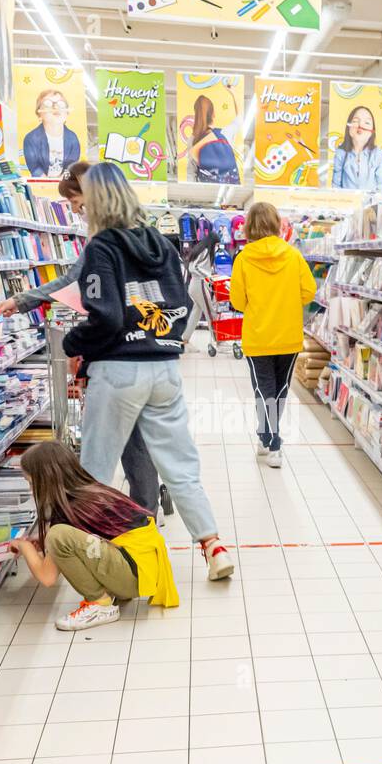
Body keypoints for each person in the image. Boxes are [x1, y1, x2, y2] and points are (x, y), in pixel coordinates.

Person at [66, 162, 235, 581]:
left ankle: (92, 563)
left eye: (82, 201)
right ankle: (214, 548)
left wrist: (74, 344)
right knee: (181, 466)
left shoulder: (100, 249)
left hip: (118, 373)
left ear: (96, 200)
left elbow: (103, 318)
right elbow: (180, 307)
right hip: (164, 369)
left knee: (96, 471)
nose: (80, 210)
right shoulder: (161, 243)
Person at [0, 163, 164, 519]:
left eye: (75, 200)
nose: (74, 209)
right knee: (138, 436)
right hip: (148, 349)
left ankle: (97, 519)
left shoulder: (104, 240)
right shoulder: (145, 234)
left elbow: (73, 281)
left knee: (104, 443)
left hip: (116, 353)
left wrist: (28, 302)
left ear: (94, 193)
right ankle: (146, 508)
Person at [12, 442, 178, 631]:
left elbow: (47, 577)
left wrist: (24, 546)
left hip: (135, 576)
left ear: (46, 481)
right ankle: (110, 591)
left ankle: (100, 604)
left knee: (57, 536)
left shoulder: (67, 513)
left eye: (31, 483)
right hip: (143, 568)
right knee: (56, 535)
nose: (30, 490)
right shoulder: (87, 492)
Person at [229, 202, 316, 467]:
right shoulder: (293, 255)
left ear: (250, 226)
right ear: (277, 223)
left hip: (258, 336)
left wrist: (258, 307)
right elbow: (309, 291)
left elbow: (236, 301)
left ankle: (272, 442)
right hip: (288, 335)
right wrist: (287, 303)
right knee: (280, 390)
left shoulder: (243, 258)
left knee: (263, 389)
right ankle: (267, 436)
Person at [22, 89, 82, 179]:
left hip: (64, 186)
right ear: (39, 114)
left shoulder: (72, 138)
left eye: (61, 104)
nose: (55, 107)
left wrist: (63, 182)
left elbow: (71, 166)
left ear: (66, 113)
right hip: (41, 186)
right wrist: (47, 184)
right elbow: (34, 167)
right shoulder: (31, 138)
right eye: (48, 104)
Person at [187, 86, 241, 184]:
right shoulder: (225, 133)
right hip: (228, 185)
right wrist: (234, 93)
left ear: (197, 115)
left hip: (204, 188)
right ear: (213, 114)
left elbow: (191, 171)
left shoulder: (192, 139)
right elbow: (239, 119)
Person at [331, 106, 382, 190]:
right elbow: (336, 185)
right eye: (355, 121)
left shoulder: (377, 153)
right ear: (348, 126)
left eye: (367, 123)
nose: (360, 125)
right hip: (348, 202)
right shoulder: (341, 153)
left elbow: (381, 186)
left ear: (372, 131)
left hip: (370, 202)